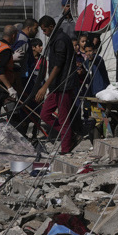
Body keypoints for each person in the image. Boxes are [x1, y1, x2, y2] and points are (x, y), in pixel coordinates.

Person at [34, 14, 79, 154]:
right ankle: (69, 135)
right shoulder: (55, 39)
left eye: (45, 30)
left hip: (63, 85)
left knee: (63, 118)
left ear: (52, 27)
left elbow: (58, 66)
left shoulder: (60, 40)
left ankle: (66, 148)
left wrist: (44, 86)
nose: (44, 33)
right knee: (45, 114)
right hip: (56, 85)